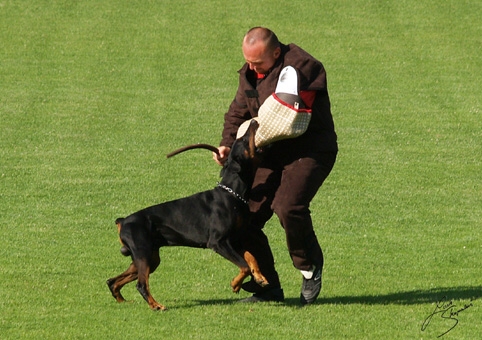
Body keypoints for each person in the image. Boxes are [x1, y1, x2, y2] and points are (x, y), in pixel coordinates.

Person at [213, 27, 337, 305]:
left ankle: (309, 266)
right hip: (269, 152)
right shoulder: (249, 73)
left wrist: (243, 145)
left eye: (257, 63)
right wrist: (227, 143)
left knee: (288, 206)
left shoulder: (303, 67)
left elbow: (288, 119)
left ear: (277, 53)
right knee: (242, 217)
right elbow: (238, 110)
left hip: (308, 150)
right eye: (247, 61)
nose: (251, 67)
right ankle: (268, 287)